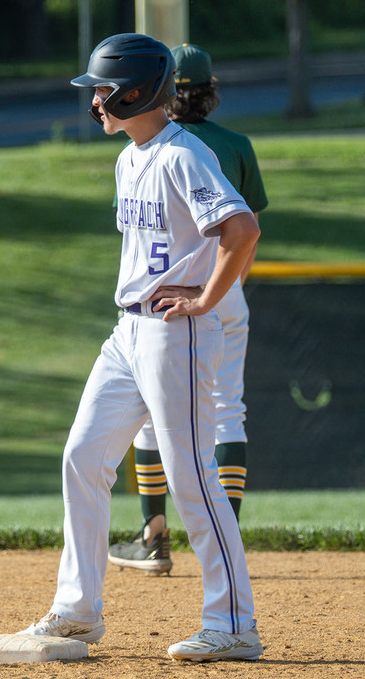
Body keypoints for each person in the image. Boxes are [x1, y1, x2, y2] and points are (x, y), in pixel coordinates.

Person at [18, 33, 263, 661]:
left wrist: (205, 301)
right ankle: (76, 613)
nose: (94, 102)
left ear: (133, 91)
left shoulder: (185, 155)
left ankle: (232, 622)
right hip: (128, 330)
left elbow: (242, 228)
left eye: (102, 90)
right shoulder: (130, 157)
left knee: (190, 475)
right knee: (83, 454)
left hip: (174, 332)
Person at [108, 43, 268, 577]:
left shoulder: (160, 144)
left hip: (173, 300)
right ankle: (228, 537)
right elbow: (246, 234)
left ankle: (154, 535)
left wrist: (203, 296)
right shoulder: (236, 144)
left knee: (149, 425)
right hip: (227, 291)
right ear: (210, 88)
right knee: (228, 412)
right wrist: (227, 290)